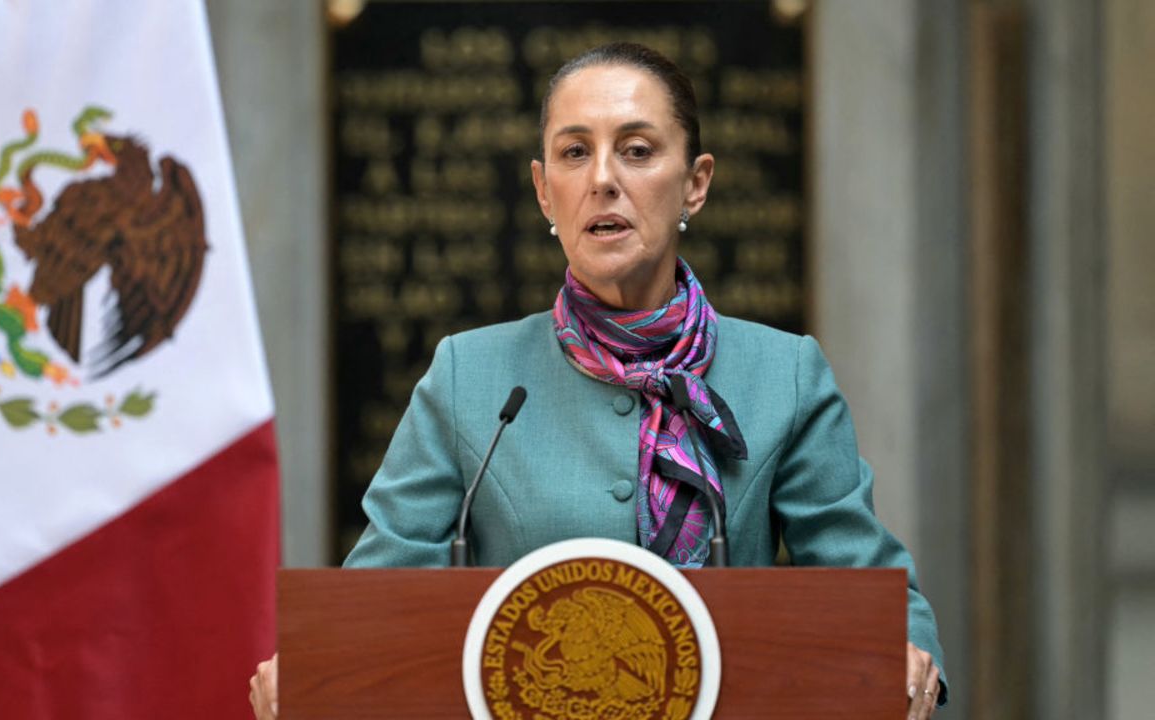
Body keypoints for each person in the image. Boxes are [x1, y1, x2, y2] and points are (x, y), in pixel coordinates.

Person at [251, 42, 946, 719]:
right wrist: (314, 666)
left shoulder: (784, 373)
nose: (603, 179)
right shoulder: (470, 376)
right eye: (574, 152)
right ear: (543, 191)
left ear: (696, 184)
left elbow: (869, 585)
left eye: (638, 151)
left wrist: (907, 652)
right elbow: (376, 595)